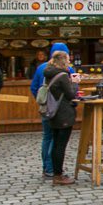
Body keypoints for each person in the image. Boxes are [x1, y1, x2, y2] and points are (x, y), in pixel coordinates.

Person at [30, 42, 74, 180]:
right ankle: (55, 171)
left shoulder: (42, 68)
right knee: (58, 141)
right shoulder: (66, 70)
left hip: (47, 109)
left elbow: (34, 87)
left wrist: (45, 102)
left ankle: (47, 168)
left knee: (47, 138)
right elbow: (70, 93)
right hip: (60, 111)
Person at [43, 50, 80, 186]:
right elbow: (71, 95)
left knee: (56, 144)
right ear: (63, 60)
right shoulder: (62, 75)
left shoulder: (49, 73)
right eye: (68, 59)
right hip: (63, 113)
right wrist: (75, 82)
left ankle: (56, 172)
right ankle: (58, 175)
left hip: (53, 113)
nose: (69, 62)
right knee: (60, 146)